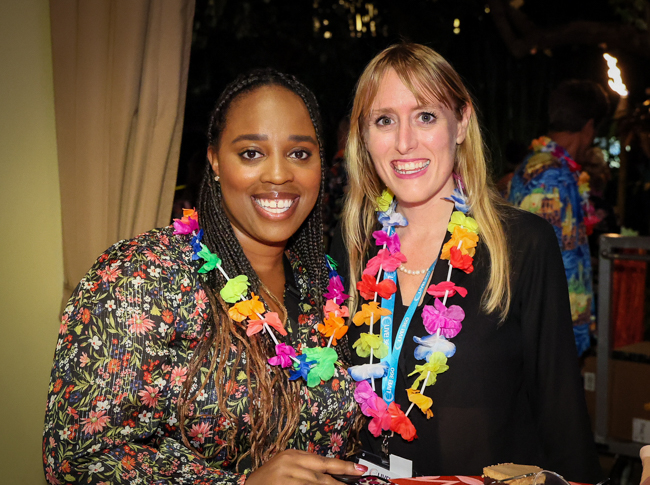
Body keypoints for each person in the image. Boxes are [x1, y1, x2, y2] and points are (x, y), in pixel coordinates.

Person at [43, 69, 366, 485]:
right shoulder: (142, 274)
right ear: (214, 161)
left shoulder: (324, 286)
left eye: (300, 153)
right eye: (252, 152)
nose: (278, 174)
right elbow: (78, 460)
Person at [331, 43, 602, 481]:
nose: (404, 142)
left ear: (461, 123)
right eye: (384, 120)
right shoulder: (353, 249)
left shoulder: (522, 245)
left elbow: (561, 414)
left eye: (425, 116)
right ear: (363, 135)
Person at [508, 80, 610, 356]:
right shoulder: (551, 176)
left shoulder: (549, 167)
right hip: (550, 333)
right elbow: (540, 261)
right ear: (589, 127)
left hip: (552, 330)